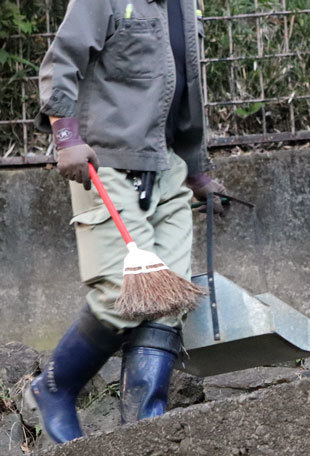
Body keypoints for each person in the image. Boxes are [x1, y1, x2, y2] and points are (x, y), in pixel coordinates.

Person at [26, 0, 226, 443]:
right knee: (123, 294)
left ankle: (144, 435)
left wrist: (193, 169)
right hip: (106, 162)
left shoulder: (186, 6)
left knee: (167, 303)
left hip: (168, 166)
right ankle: (55, 390)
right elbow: (62, 60)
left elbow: (185, 89)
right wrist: (65, 136)